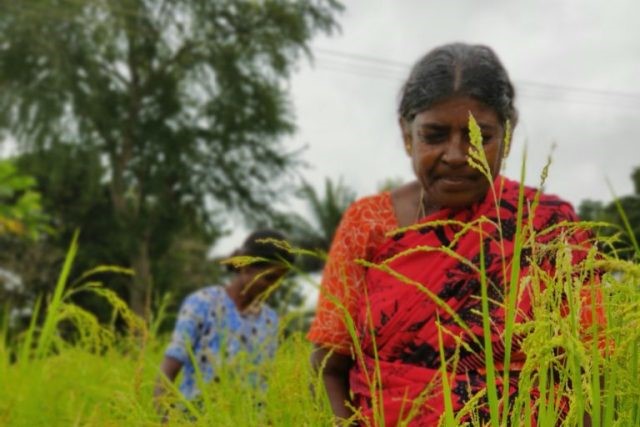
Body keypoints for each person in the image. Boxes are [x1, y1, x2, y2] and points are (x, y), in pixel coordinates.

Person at [308, 43, 601, 426]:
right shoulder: (368, 223)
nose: (457, 154)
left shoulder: (550, 225)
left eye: (480, 136)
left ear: (507, 136)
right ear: (406, 134)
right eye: (434, 136)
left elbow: (590, 369)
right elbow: (329, 365)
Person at [154, 229, 294, 411]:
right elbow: (168, 370)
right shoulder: (202, 304)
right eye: (269, 278)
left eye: (280, 281)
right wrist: (163, 419)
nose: (274, 287)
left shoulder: (270, 320)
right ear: (246, 268)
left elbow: (262, 384)